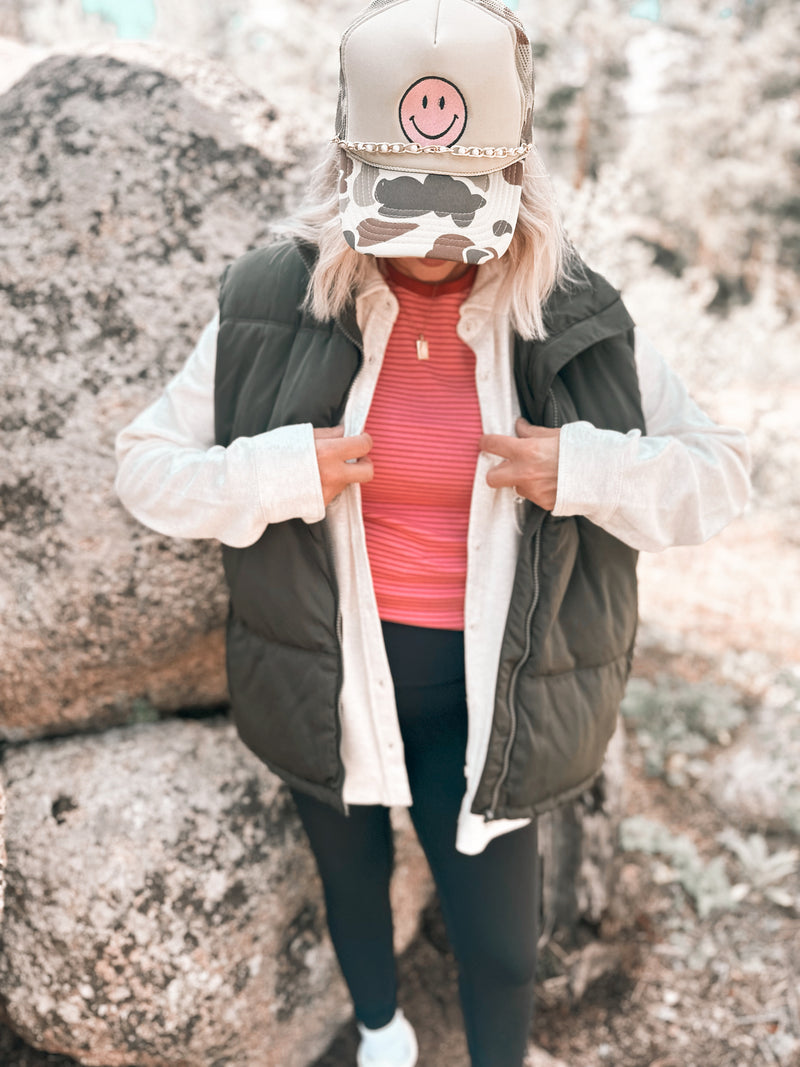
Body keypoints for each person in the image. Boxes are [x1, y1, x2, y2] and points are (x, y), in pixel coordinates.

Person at [114, 1, 750, 1065]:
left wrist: (582, 466)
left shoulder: (574, 310)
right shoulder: (272, 297)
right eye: (400, 199)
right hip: (324, 673)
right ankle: (379, 1030)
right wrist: (278, 471)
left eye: (457, 200)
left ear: (510, 178)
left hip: (496, 690)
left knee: (503, 948)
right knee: (351, 886)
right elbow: (146, 469)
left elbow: (718, 476)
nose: (428, 244)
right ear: (348, 166)